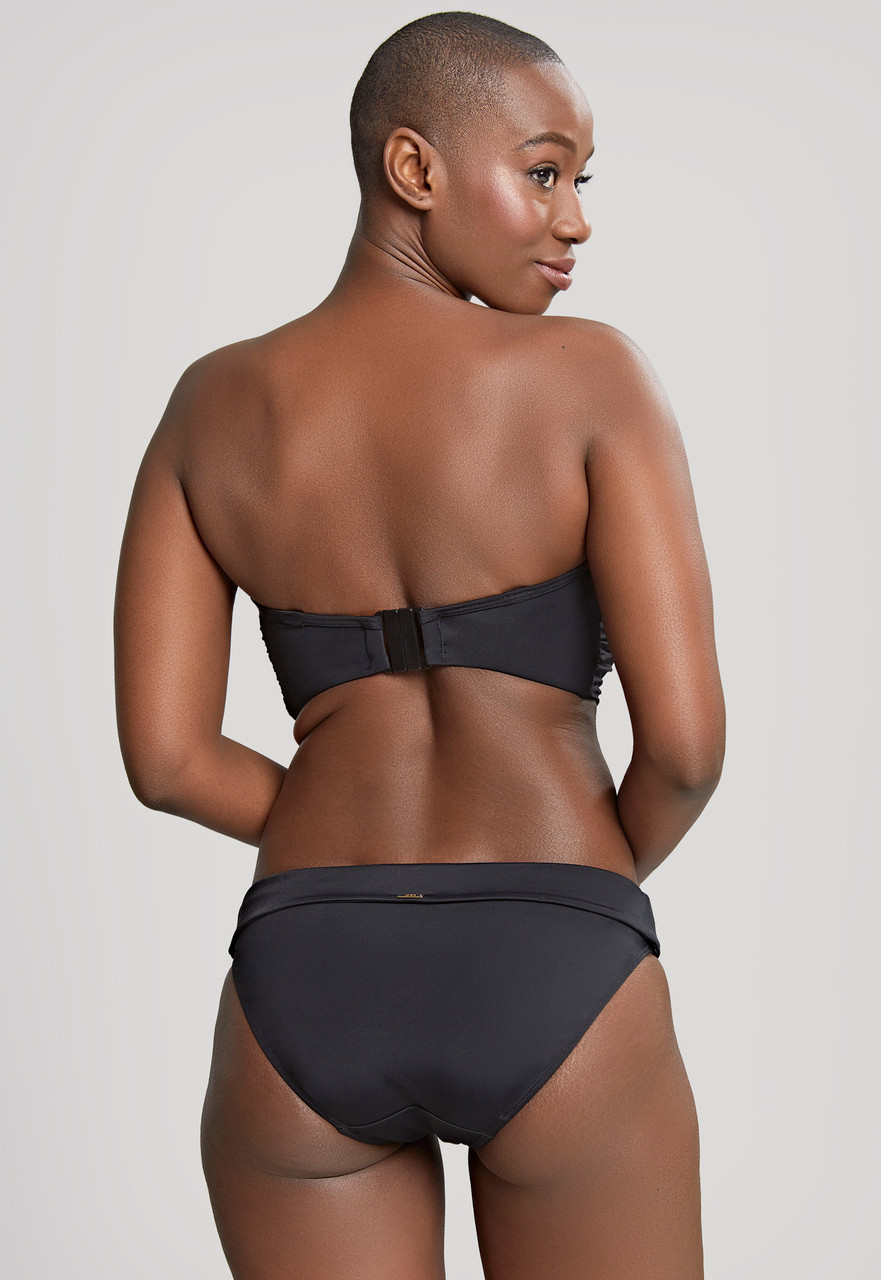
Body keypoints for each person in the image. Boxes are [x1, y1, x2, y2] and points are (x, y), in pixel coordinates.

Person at [113, 10, 724, 1279]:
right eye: (544, 172)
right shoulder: (592, 377)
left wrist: (328, 833)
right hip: (556, 953)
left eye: (583, 182)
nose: (575, 219)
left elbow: (165, 759)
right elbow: (686, 748)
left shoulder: (212, 406)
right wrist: (570, 889)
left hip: (305, 967)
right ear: (414, 169)